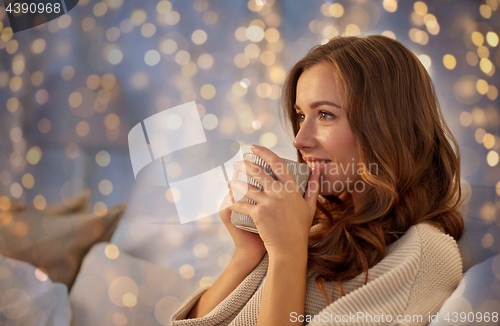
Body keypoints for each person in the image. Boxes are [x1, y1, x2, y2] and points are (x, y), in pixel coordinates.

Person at [170, 35, 465, 326]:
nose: (300, 140)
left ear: (388, 126)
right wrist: (249, 252)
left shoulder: (424, 254)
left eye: (325, 114)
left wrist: (288, 254)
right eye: (300, 115)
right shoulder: (314, 227)